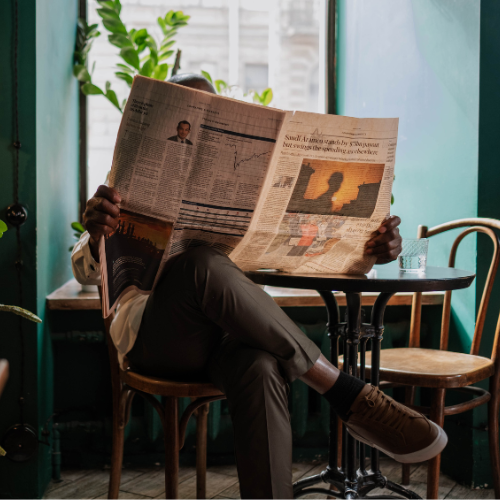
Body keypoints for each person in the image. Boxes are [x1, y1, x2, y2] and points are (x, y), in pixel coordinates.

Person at [72, 73, 447, 499]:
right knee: (199, 265)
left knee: (263, 367)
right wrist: (97, 235)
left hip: (234, 339)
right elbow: (86, 272)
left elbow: (304, 255)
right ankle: (345, 390)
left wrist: (372, 248)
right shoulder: (123, 182)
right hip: (160, 340)